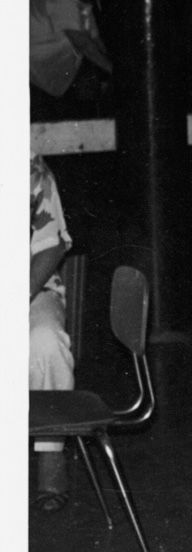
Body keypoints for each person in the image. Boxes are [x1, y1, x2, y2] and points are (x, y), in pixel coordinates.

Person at [30, 153, 76, 512]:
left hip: (31, 288)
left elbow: (51, 245)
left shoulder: (29, 165)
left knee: (45, 343)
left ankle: (50, 465)